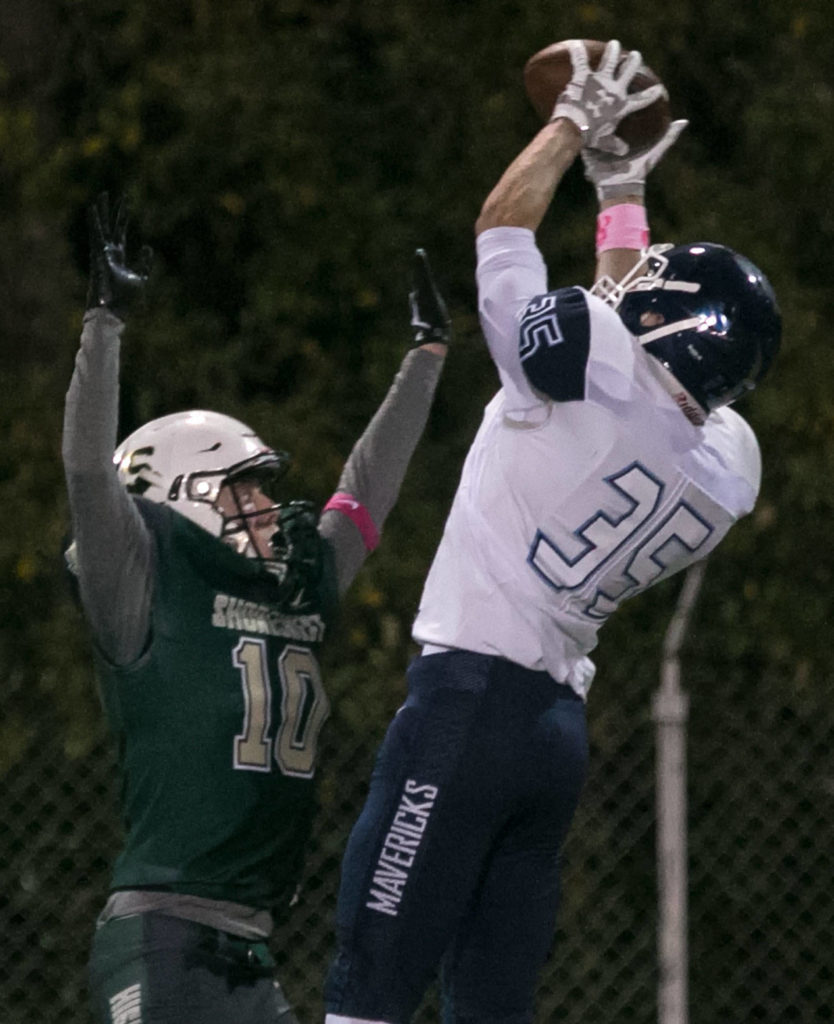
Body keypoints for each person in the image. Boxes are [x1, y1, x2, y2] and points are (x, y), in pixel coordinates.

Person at [324, 40, 781, 1024]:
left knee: (367, 990)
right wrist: (618, 192)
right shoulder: (723, 467)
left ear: (659, 316)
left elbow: (500, 228)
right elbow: (623, 334)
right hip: (549, 735)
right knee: (490, 1008)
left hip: (464, 707)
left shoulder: (577, 369)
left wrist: (572, 121)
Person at [63, 193, 450, 1024]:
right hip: (162, 938)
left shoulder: (294, 585)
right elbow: (90, 474)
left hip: (251, 950)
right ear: (178, 495)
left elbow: (365, 493)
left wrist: (427, 355)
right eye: (243, 490)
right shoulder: (142, 586)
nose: (268, 509)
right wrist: (105, 321)